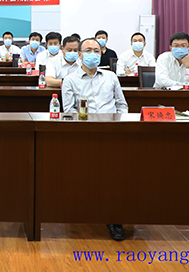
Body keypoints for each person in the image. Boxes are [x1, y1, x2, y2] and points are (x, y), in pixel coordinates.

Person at [62, 38, 128, 241]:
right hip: (84, 132)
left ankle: (114, 219)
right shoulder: (70, 80)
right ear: (80, 54)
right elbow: (68, 111)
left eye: (97, 51)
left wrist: (121, 125)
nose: (93, 54)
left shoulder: (111, 77)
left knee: (115, 177)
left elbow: (122, 105)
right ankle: (82, 211)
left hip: (113, 132)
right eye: (88, 50)